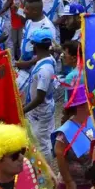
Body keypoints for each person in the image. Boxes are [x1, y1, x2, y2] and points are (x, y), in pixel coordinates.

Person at [53, 85, 95, 189]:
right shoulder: (65, 131)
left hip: (90, 182)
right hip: (75, 185)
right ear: (80, 107)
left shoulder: (91, 121)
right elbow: (59, 155)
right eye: (88, 102)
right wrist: (69, 182)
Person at [20, 29, 56, 158]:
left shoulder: (44, 69)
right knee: (43, 139)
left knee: (42, 144)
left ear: (36, 46)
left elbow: (40, 97)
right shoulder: (47, 59)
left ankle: (46, 173)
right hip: (42, 110)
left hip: (40, 112)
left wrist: (23, 110)